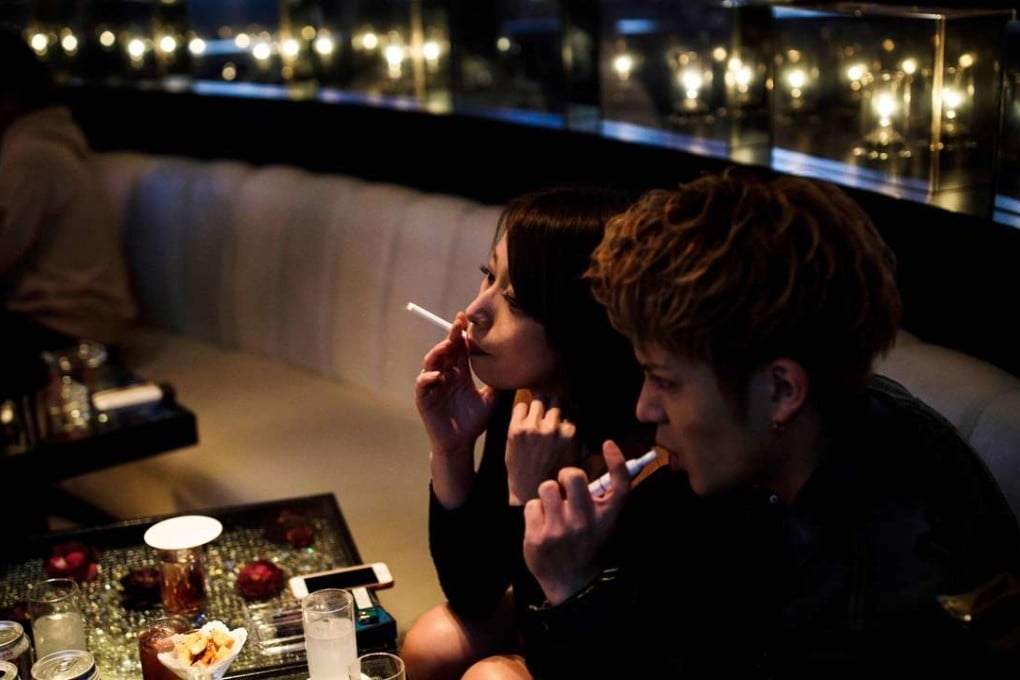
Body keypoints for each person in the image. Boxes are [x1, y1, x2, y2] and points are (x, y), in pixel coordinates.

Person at [519, 169, 1020, 678]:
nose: (645, 408)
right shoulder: (765, 459)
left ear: (781, 390)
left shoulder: (886, 588)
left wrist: (572, 590)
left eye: (666, 381)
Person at [403, 185, 654, 680]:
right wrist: (452, 449)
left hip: (608, 649)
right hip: (552, 618)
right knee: (429, 644)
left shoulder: (647, 449)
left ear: (582, 323)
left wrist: (528, 497)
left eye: (514, 299)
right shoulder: (526, 397)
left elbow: (560, 649)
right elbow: (472, 592)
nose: (474, 311)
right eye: (489, 275)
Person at [0, 24, 136, 377]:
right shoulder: (44, 140)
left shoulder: (33, 153)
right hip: (68, 323)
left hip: (72, 331)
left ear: (9, 96)